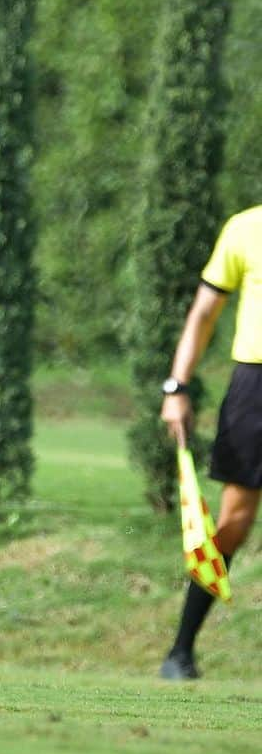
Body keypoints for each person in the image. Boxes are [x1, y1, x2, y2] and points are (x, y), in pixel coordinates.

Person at [158, 205, 262, 680]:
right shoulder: (244, 228)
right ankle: (180, 652)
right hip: (254, 389)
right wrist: (177, 388)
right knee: (235, 522)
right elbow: (203, 313)